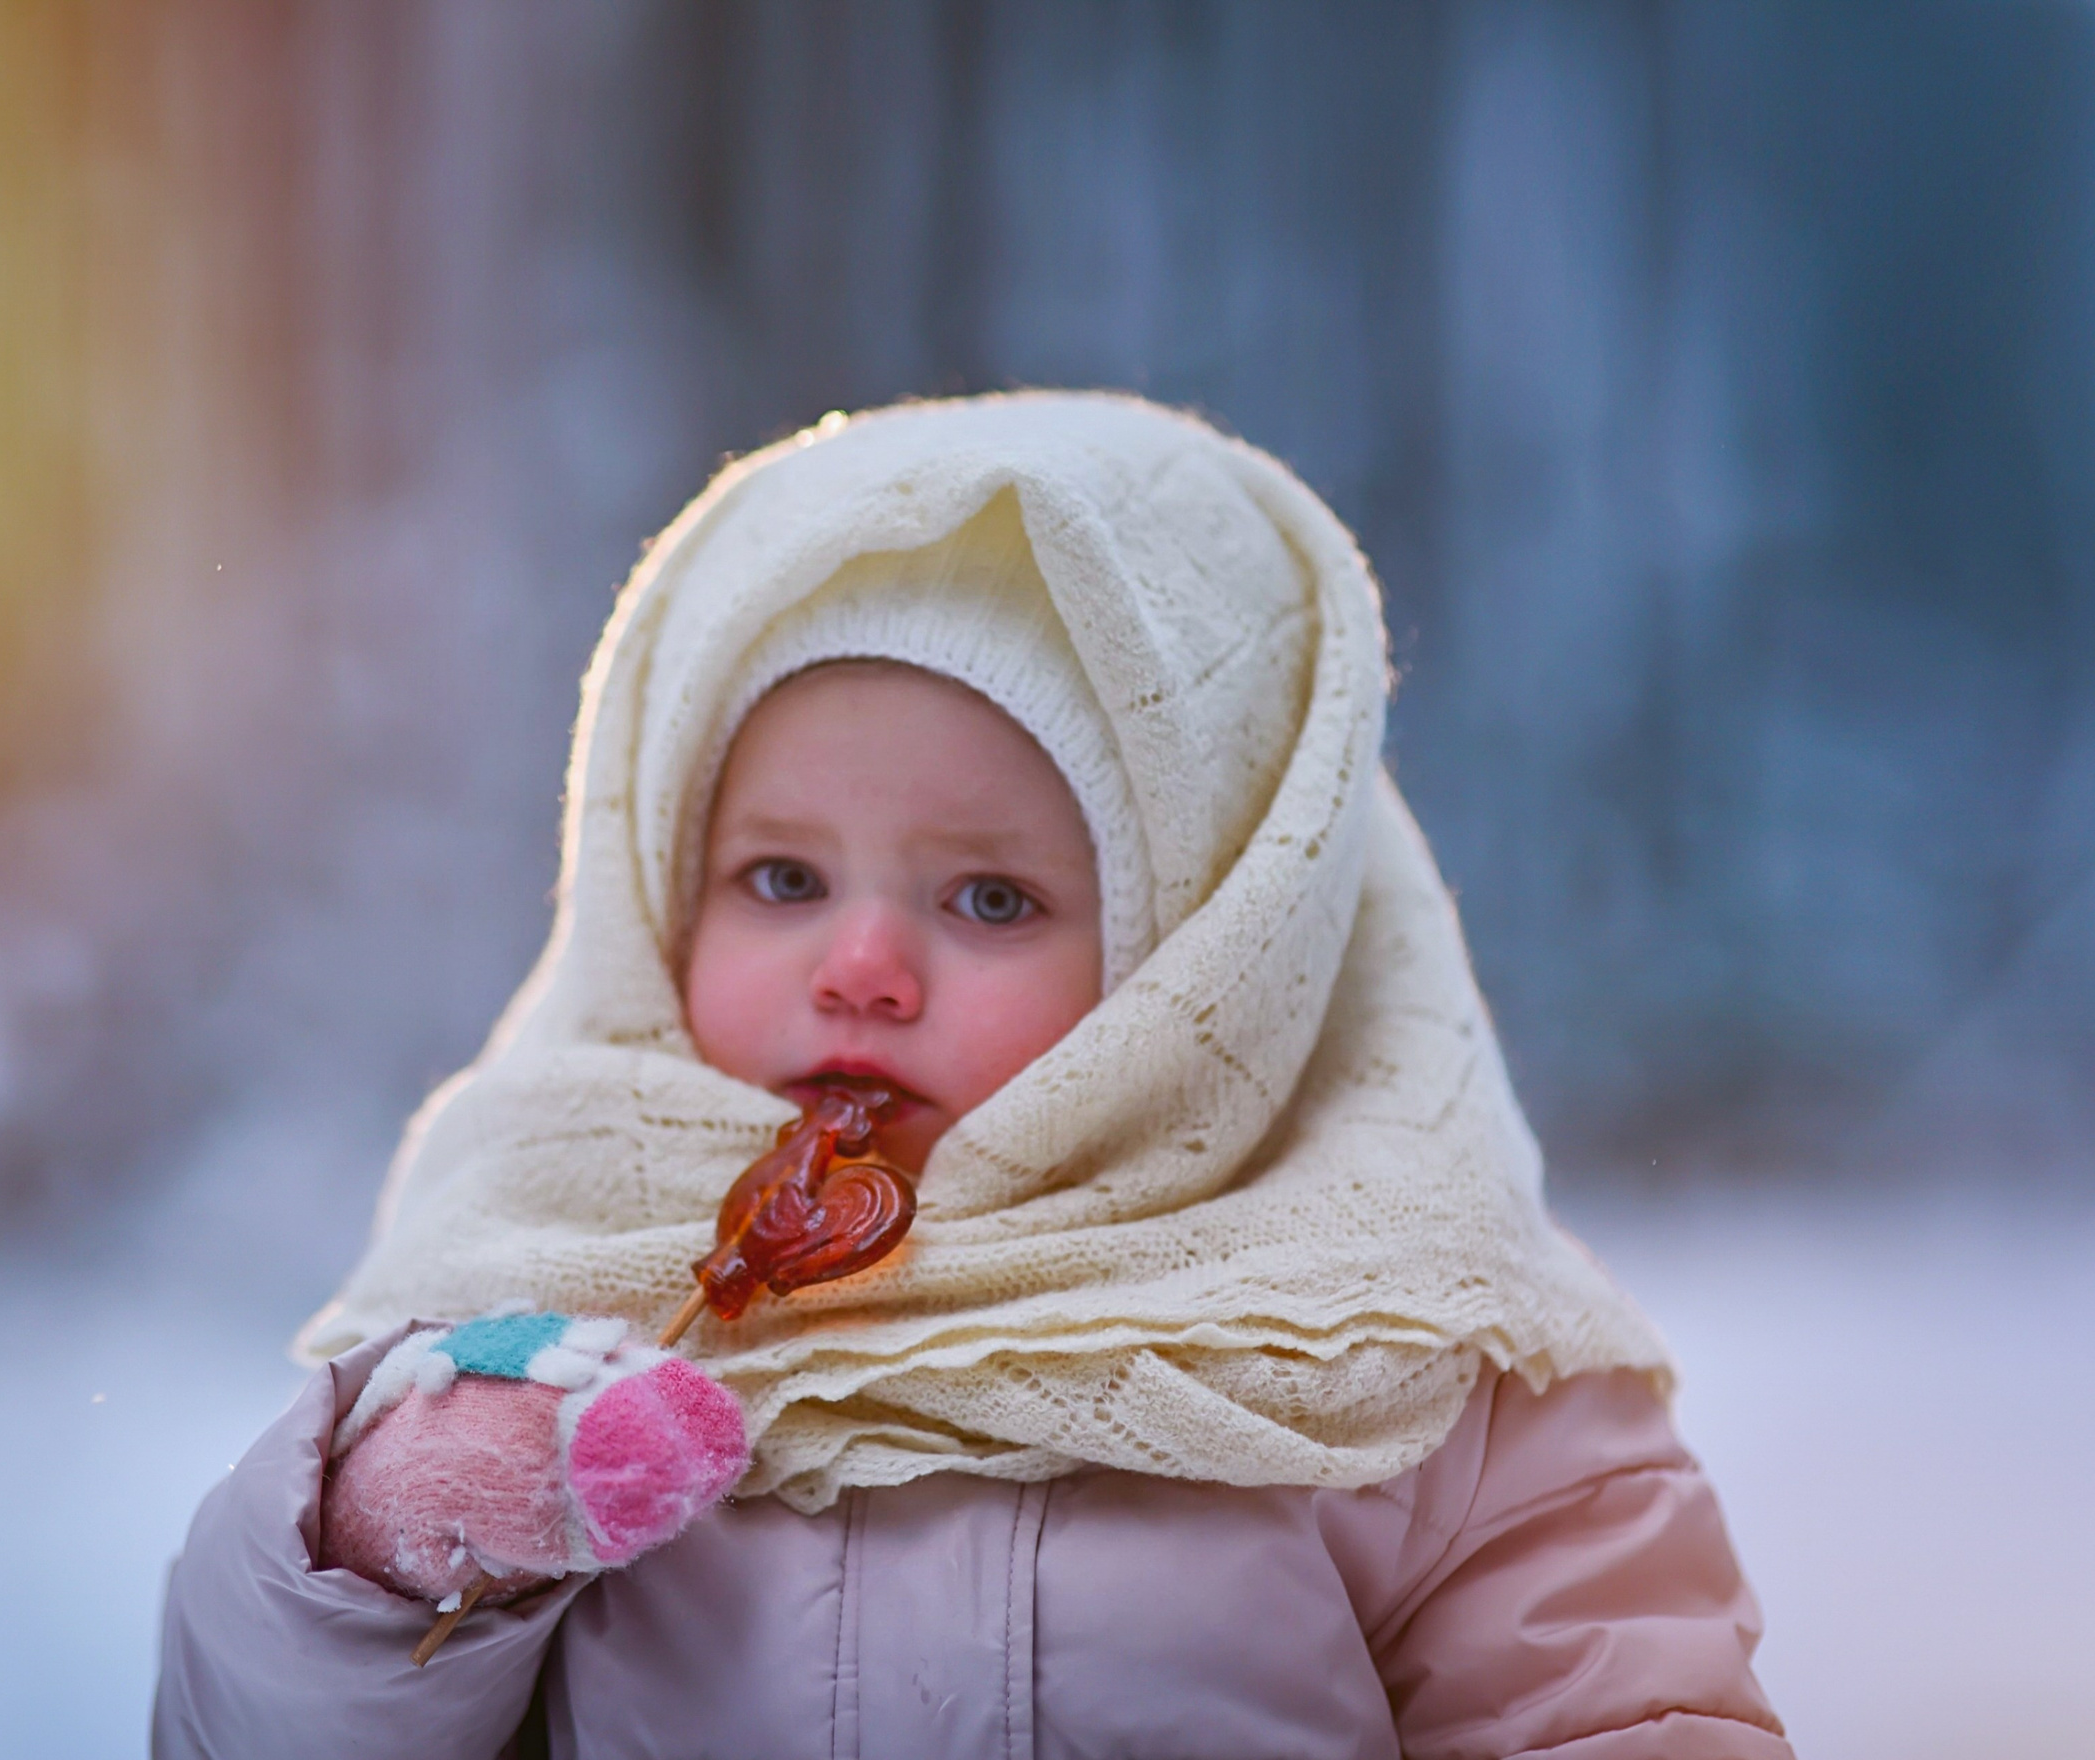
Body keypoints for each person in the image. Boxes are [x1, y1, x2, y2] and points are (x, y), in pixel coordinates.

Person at [154, 393, 1792, 1759]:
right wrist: (377, 1548)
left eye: (989, 899)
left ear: (1215, 961)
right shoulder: (550, 1292)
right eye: (782, 878)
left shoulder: (1409, 1349)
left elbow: (1624, 1710)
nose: (859, 965)